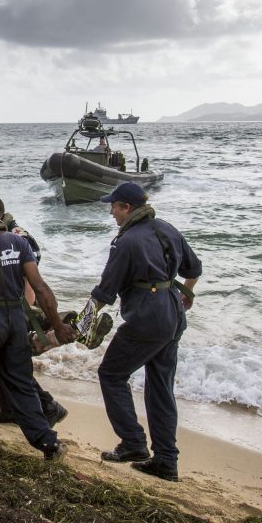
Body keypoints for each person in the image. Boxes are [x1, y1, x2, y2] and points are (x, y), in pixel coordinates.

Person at [93, 181, 200, 482]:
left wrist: (80, 326)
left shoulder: (126, 241)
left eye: (114, 206)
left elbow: (105, 291)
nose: (111, 212)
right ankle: (166, 461)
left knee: (111, 375)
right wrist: (186, 296)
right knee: (160, 386)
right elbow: (194, 270)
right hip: (173, 316)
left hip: (147, 319)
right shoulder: (168, 228)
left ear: (127, 208)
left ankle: (133, 443)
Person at [0, 196, 74, 460]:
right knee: (20, 382)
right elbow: (40, 288)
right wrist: (57, 324)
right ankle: (48, 442)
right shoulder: (19, 242)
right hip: (16, 319)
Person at [0, 194, 66, 426]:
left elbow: (29, 278)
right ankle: (8, 408)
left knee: (13, 360)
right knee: (4, 357)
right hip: (11, 305)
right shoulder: (1, 233)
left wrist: (25, 311)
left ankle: (49, 407)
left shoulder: (16, 236)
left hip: (22, 307)